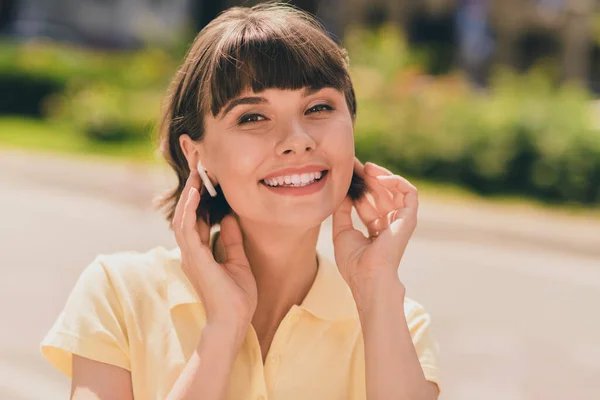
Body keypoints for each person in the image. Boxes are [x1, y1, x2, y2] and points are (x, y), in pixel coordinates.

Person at [40, 3, 440, 399]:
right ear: (197, 156)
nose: (298, 139)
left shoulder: (394, 320)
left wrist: (375, 287)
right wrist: (223, 329)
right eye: (252, 117)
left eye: (318, 107)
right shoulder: (120, 294)